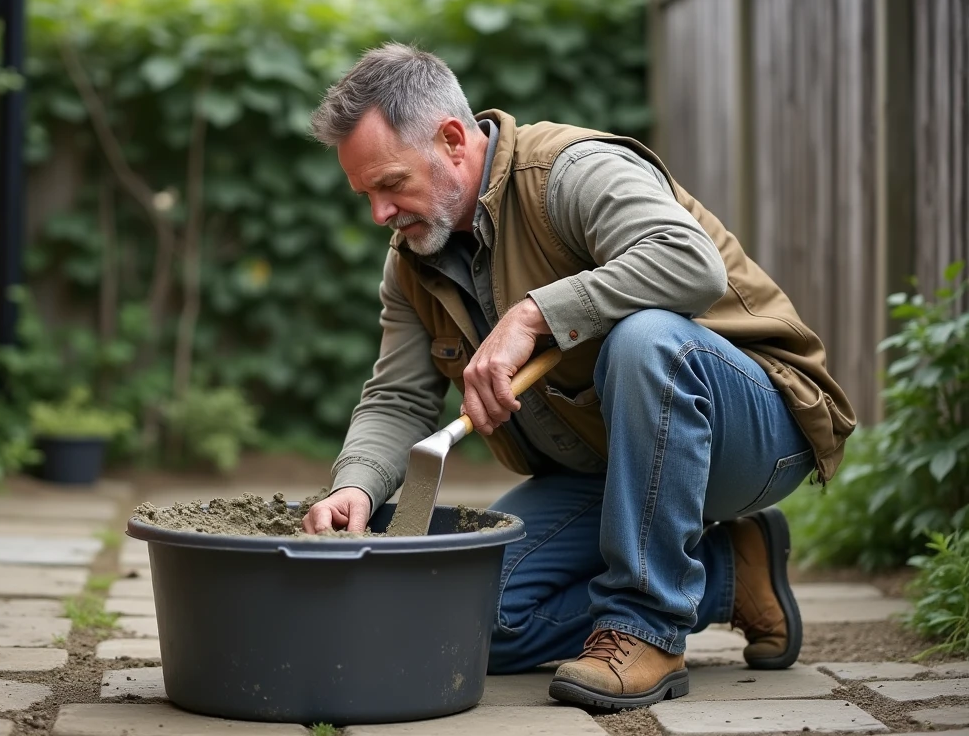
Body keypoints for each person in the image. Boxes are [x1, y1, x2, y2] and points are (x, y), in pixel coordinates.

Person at [300, 43, 856, 710]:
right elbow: (397, 398)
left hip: (757, 429)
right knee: (472, 620)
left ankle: (646, 626)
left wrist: (534, 315)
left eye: (390, 185)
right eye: (366, 195)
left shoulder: (567, 172)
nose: (379, 215)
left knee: (646, 339)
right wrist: (355, 487)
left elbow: (689, 262)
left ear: (452, 139)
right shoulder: (413, 263)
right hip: (610, 468)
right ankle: (728, 575)